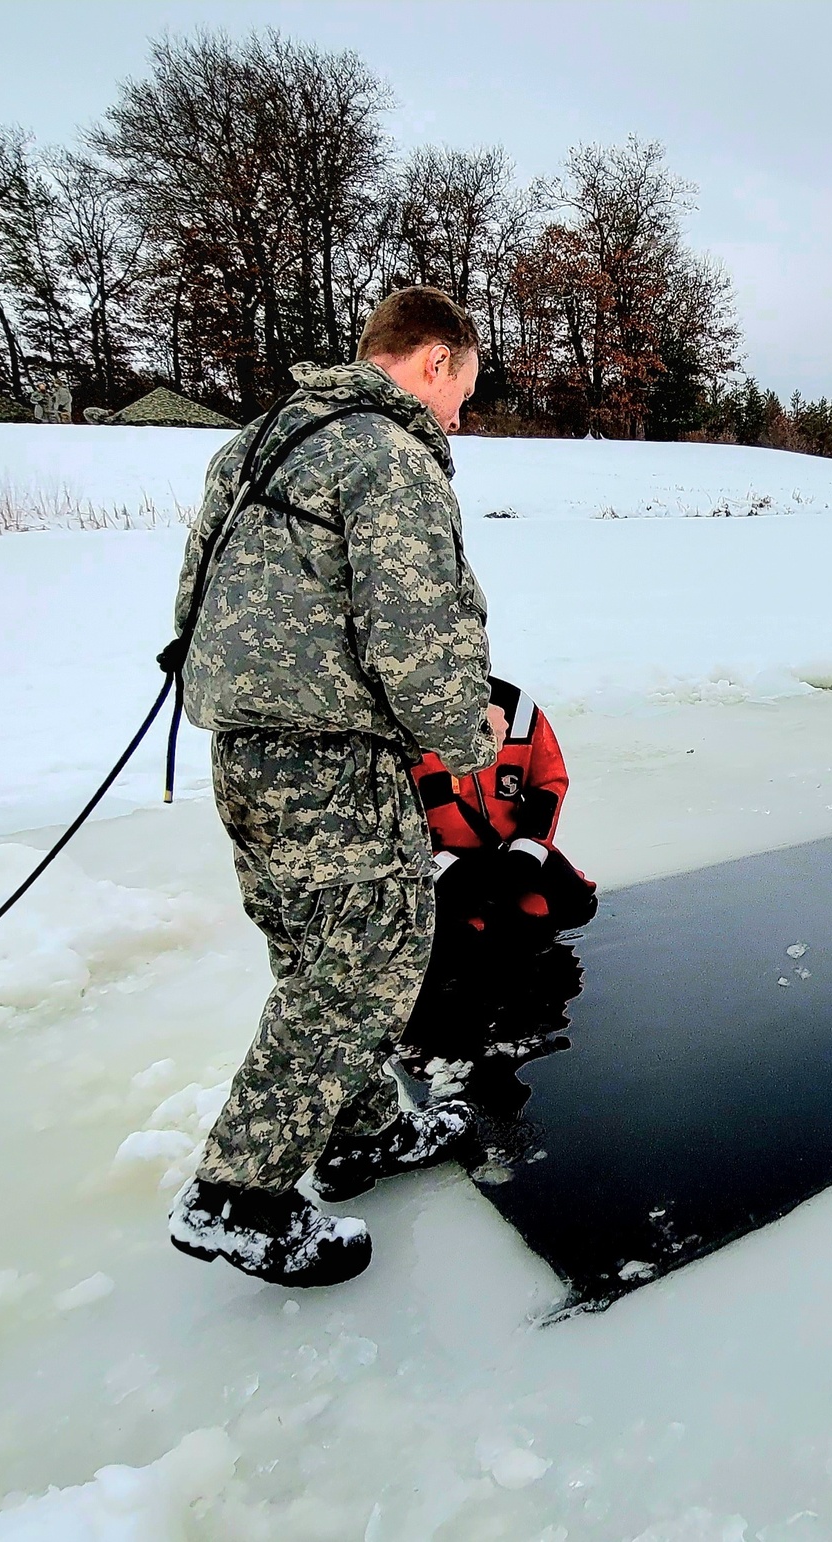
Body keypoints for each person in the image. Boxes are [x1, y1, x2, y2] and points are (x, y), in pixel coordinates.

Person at [166, 287, 507, 1287]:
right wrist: (465, 730)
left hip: (246, 752)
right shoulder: (387, 456)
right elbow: (410, 629)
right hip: (330, 760)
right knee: (364, 964)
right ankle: (235, 1195)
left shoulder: (259, 441)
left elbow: (193, 594)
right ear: (435, 361)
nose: (459, 418)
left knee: (317, 957)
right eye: (463, 393)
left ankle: (356, 1135)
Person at [411, 675, 597, 949]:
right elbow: (388, 813)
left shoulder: (519, 710)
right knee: (462, 936)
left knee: (573, 905)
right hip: (438, 860)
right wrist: (442, 868)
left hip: (509, 849)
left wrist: (528, 850)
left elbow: (549, 781)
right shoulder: (401, 715)